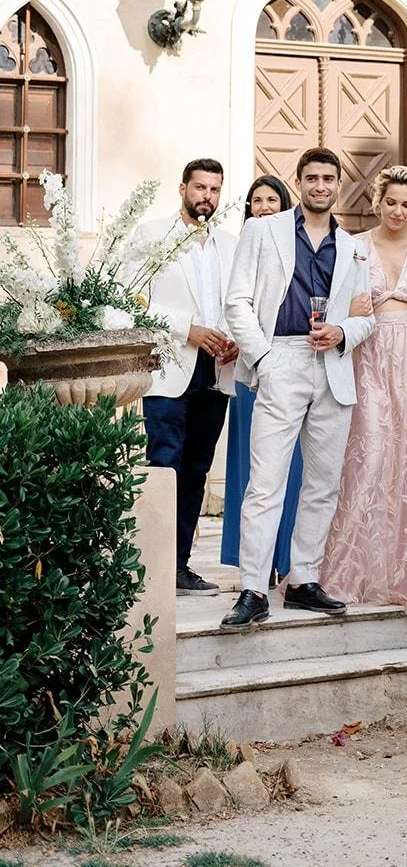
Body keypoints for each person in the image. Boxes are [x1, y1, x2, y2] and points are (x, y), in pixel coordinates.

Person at [220, 147, 375, 630]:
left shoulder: (352, 246)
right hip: (281, 357)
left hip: (332, 364)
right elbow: (237, 301)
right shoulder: (262, 230)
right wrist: (263, 358)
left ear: (338, 185)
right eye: (312, 178)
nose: (320, 185)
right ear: (301, 182)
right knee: (266, 482)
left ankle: (304, 579)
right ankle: (252, 588)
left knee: (323, 484)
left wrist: (343, 332)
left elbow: (366, 315)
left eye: (329, 178)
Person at [321, 165, 407, 613]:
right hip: (371, 355)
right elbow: (337, 306)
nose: (398, 211)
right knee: (371, 454)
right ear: (376, 202)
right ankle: (355, 572)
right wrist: (351, 308)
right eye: (391, 202)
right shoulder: (355, 248)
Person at [138, 158, 239, 596]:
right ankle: (151, 567)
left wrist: (236, 340)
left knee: (196, 469)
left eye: (214, 190)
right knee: (165, 465)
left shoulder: (231, 244)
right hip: (169, 370)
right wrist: (187, 329)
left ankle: (179, 565)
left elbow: (241, 303)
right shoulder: (151, 235)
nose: (207, 197)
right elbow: (130, 298)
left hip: (216, 371)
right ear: (183, 189)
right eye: (200, 188)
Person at [220, 174, 304, 584]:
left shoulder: (297, 249)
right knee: (252, 472)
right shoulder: (238, 244)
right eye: (257, 200)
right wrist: (252, 349)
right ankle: (255, 563)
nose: (266, 206)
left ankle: (288, 558)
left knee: (294, 471)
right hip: (253, 372)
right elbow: (234, 304)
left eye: (273, 199)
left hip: (298, 372)